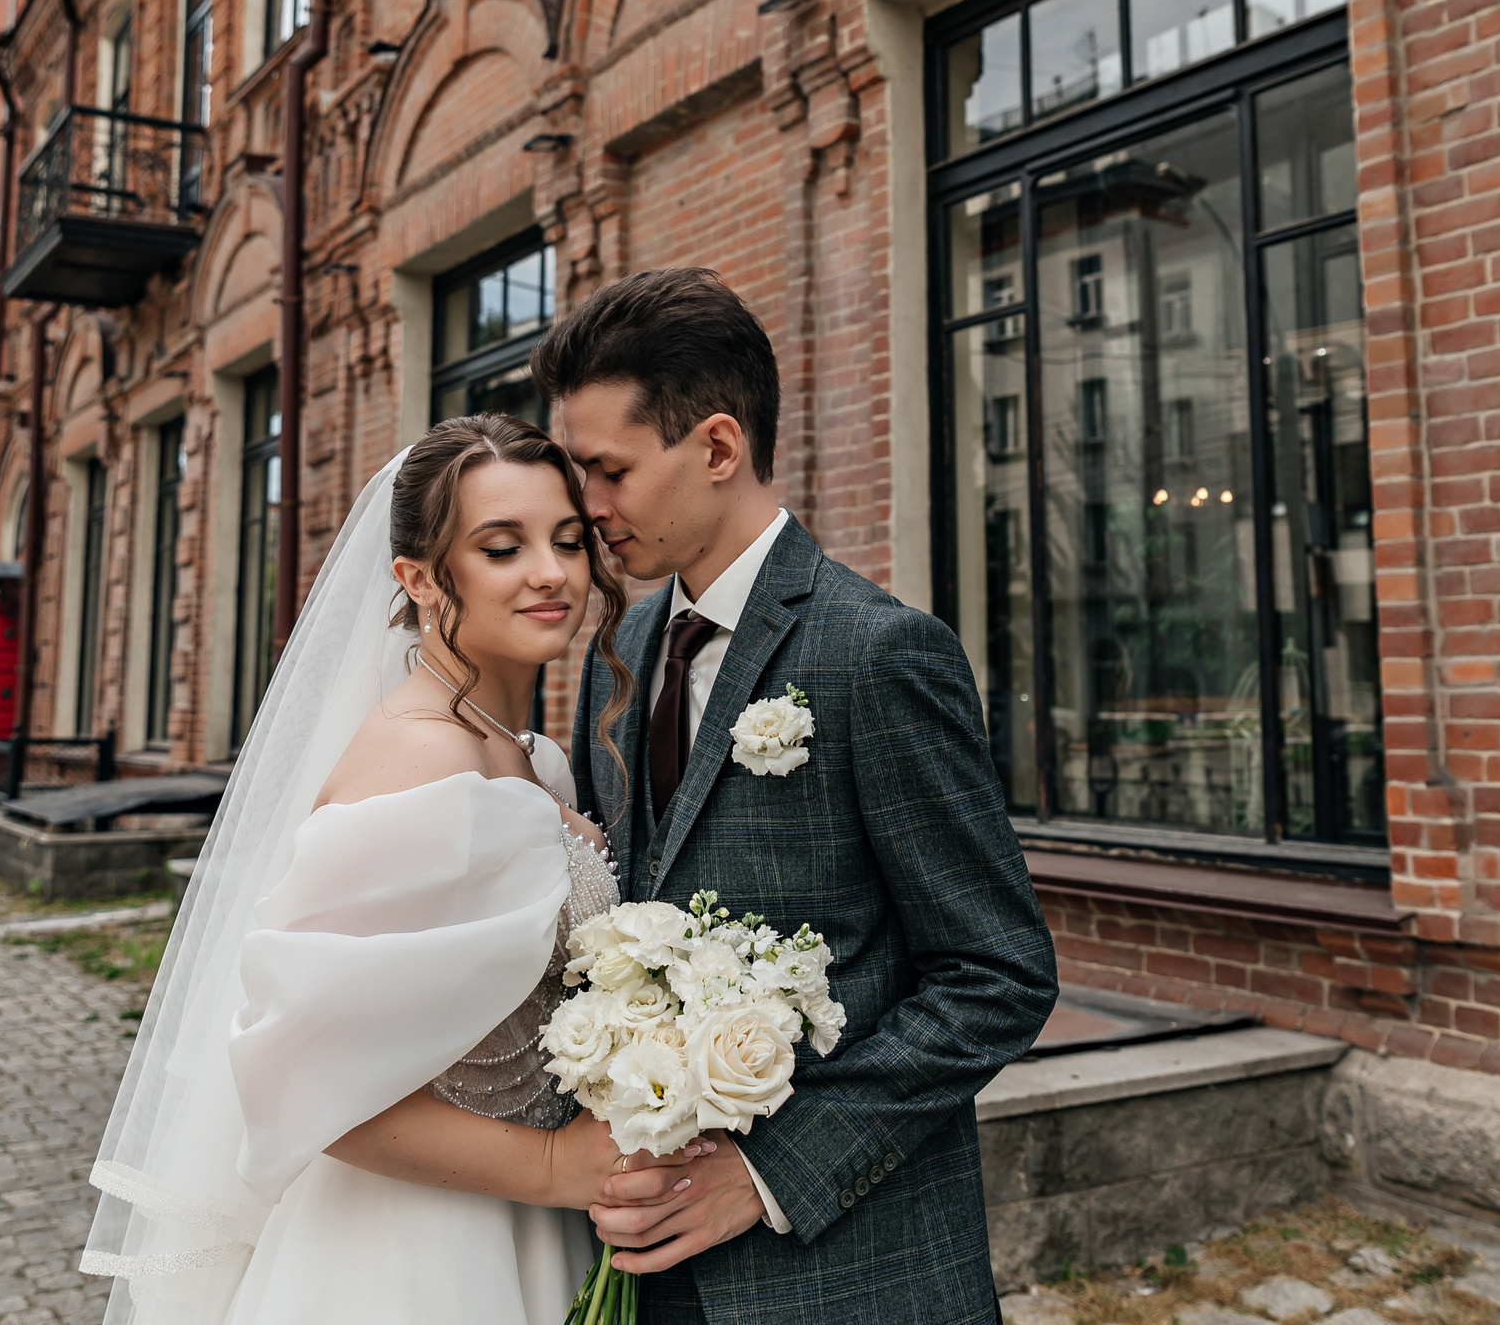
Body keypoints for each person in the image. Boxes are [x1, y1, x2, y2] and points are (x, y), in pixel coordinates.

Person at [80, 414, 713, 1325]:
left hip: (524, 1225)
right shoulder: (424, 765)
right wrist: (548, 1165)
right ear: (416, 578)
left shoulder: (530, 758)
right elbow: (301, 1082)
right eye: (503, 547)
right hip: (416, 1246)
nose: (553, 572)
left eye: (569, 540)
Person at [534, 268, 1059, 1325]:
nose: (584, 509)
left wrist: (768, 1173)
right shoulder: (619, 647)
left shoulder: (880, 653)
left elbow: (995, 973)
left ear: (719, 447)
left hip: (842, 1268)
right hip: (637, 1260)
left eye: (608, 470)